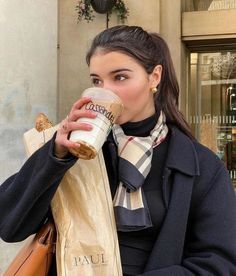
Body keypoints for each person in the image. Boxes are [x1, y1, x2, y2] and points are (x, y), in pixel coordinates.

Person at [0, 25, 236, 276]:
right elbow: (9, 226)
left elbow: (220, 262)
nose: (106, 90)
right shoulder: (75, 151)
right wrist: (55, 156)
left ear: (154, 77)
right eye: (96, 81)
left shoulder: (200, 165)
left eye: (120, 77)